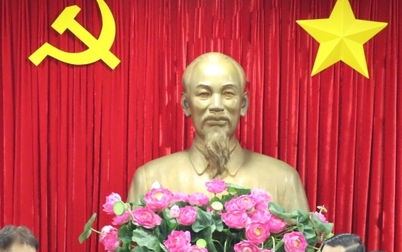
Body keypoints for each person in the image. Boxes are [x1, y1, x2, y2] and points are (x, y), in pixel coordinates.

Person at [127, 52, 309, 212]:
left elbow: (304, 248)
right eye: (204, 94)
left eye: (228, 94)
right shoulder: (149, 180)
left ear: (243, 104)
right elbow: (129, 250)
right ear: (186, 105)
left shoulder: (283, 181)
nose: (216, 106)